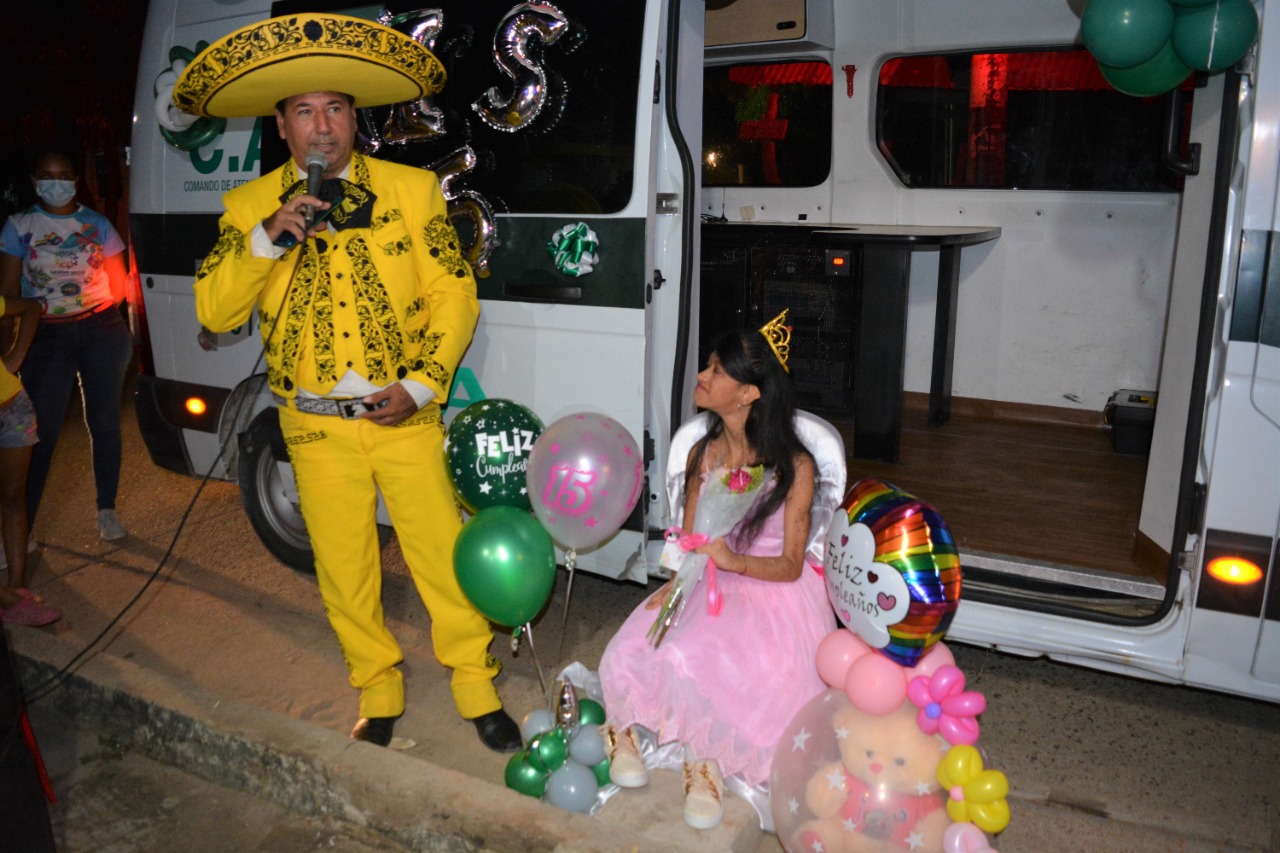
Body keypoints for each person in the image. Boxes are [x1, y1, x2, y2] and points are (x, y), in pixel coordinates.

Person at [175, 13, 520, 752]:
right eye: (304, 111)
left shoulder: (412, 190)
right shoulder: (247, 208)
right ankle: (378, 685)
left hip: (405, 415)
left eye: (335, 108)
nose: (322, 126)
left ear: (354, 118)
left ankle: (475, 682)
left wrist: (423, 385)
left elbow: (453, 293)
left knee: (441, 555)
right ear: (281, 126)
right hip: (313, 424)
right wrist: (268, 237)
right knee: (344, 568)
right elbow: (215, 309)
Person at [597, 314, 835, 829]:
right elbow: (685, 540)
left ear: (748, 393)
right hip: (705, 578)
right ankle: (624, 732)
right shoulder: (704, 452)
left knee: (749, 674)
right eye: (707, 365)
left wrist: (733, 561)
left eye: (716, 371)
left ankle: (707, 763)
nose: (702, 377)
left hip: (772, 589)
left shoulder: (794, 466)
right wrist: (673, 586)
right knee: (637, 649)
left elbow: (791, 565)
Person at [0, 148, 133, 543]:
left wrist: (88, 311)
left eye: (63, 175)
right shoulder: (19, 225)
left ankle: (107, 510)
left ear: (76, 180)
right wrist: (9, 352)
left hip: (100, 330)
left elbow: (120, 285)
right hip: (46, 336)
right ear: (34, 180)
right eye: (47, 175)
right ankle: (21, 529)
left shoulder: (98, 224)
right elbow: (8, 294)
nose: (55, 183)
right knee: (38, 432)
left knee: (104, 423)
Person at [0, 293, 60, 626]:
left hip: (13, 409)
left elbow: (31, 306)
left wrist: (16, 356)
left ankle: (16, 589)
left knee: (12, 498)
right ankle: (9, 601)